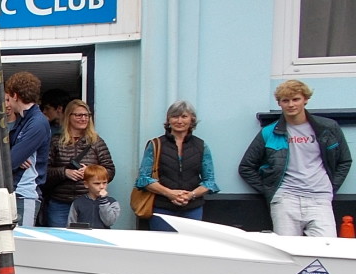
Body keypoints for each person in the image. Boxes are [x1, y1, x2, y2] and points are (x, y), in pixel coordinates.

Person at [238, 80, 351, 237]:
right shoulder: (270, 132)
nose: (291, 104)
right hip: (285, 199)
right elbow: (246, 167)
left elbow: (345, 161)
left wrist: (331, 187)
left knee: (326, 249)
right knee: (288, 252)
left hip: (320, 198)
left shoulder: (328, 128)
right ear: (279, 103)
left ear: (305, 99)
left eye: (295, 99)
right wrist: (270, 190)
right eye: (285, 100)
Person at [134, 100, 219, 231]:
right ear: (168, 120)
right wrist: (170, 194)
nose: (179, 121)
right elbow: (144, 178)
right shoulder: (155, 144)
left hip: (193, 209)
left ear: (192, 120)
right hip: (162, 209)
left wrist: (190, 195)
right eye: (175, 116)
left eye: (184, 116)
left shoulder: (201, 146)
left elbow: (209, 181)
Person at [44, 99, 116, 227]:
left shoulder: (96, 142)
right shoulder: (56, 141)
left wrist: (90, 172)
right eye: (78, 115)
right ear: (68, 117)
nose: (83, 118)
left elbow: (110, 170)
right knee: (59, 242)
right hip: (60, 202)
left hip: (89, 202)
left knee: (89, 244)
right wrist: (65, 172)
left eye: (86, 115)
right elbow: (43, 171)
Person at [3, 72, 50, 228]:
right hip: (16, 192)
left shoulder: (37, 122)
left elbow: (10, 160)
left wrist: (13, 155)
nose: (7, 104)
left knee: (21, 246)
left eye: (8, 98)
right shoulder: (26, 120)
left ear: (15, 96)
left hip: (26, 193)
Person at [68, 164, 120, 228]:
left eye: (104, 183)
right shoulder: (78, 203)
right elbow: (71, 225)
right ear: (86, 184)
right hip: (83, 237)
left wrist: (104, 202)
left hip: (102, 237)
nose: (102, 187)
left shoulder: (112, 203)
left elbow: (109, 222)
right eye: (97, 183)